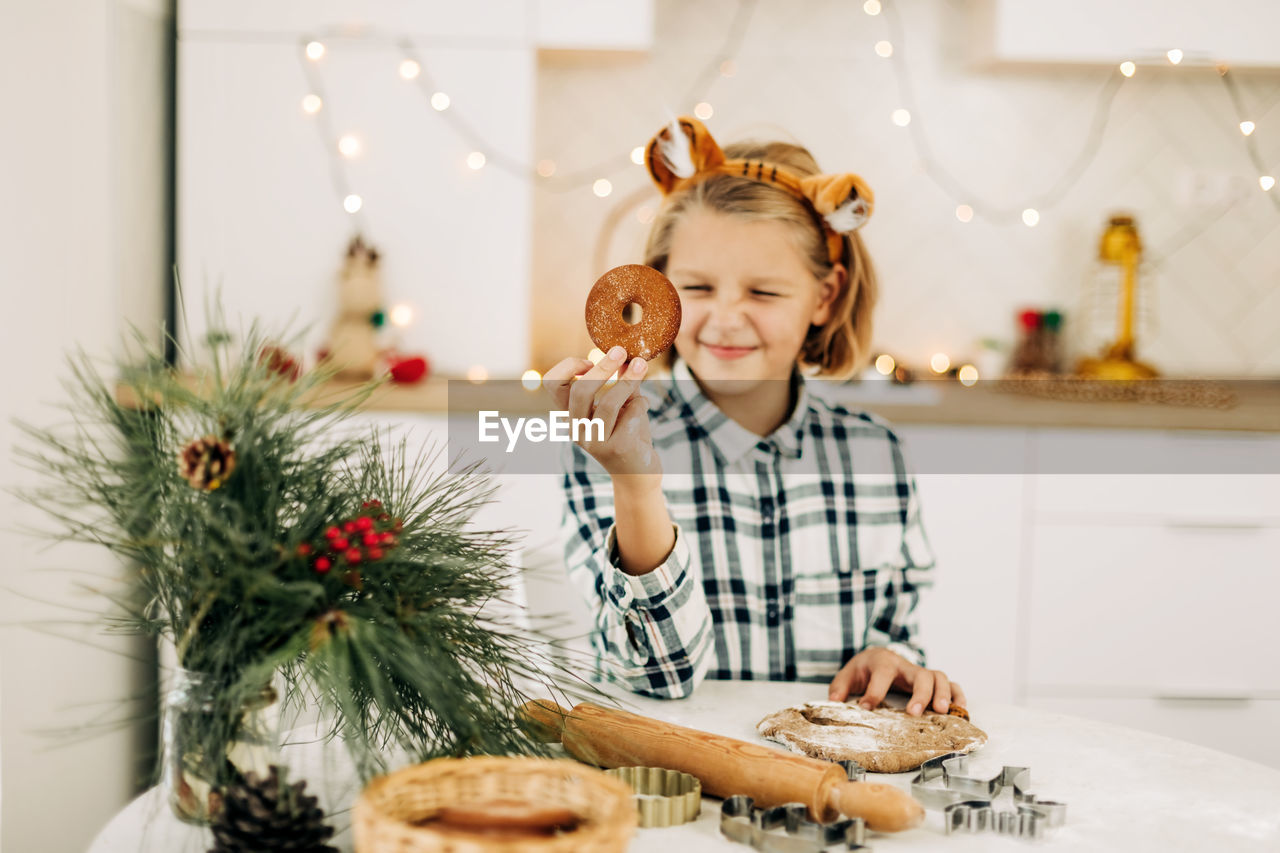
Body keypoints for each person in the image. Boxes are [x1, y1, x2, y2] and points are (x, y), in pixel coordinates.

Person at [543, 117, 964, 717]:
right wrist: (637, 484)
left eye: (763, 293)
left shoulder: (877, 455)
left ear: (824, 296)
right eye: (697, 288)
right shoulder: (605, 446)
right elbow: (656, 678)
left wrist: (890, 661)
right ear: (658, 292)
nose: (726, 320)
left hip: (826, 791)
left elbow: (895, 634)